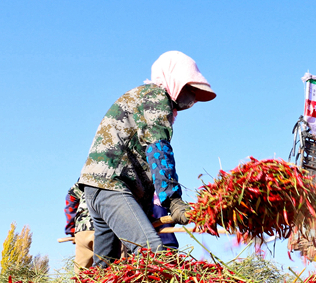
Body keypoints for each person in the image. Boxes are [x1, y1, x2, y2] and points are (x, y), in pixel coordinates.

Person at [77, 51, 215, 267]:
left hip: (98, 187)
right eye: (189, 88)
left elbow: (142, 161)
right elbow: (158, 149)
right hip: (112, 186)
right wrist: (173, 200)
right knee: (153, 255)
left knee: (105, 269)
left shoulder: (142, 98)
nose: (192, 98)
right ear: (174, 79)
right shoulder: (155, 96)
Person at [64, 183, 94, 272]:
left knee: (82, 275)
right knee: (116, 271)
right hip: (109, 228)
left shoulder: (85, 179)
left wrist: (72, 230)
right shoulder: (120, 177)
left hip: (83, 229)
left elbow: (70, 200)